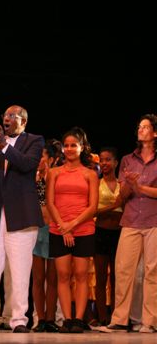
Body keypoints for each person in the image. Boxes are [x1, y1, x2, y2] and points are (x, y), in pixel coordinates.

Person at [0, 105, 44, 333]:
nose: (6, 118)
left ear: (23, 121)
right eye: (5, 115)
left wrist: (4, 145)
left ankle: (19, 320)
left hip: (21, 214)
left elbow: (26, 165)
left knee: (20, 270)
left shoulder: (34, 140)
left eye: (12, 116)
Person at [106, 114, 157, 334]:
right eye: (139, 126)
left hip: (154, 219)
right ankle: (119, 319)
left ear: (155, 133)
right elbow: (123, 195)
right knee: (124, 270)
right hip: (131, 219)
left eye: (145, 127)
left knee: (152, 272)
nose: (141, 129)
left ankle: (150, 321)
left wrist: (141, 187)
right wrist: (128, 184)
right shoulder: (128, 159)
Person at [46, 127, 98, 333]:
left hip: (83, 228)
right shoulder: (54, 173)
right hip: (59, 228)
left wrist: (72, 225)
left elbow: (92, 206)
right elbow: (50, 203)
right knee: (63, 275)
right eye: (66, 145)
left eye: (73, 145)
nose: (69, 149)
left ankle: (78, 319)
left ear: (82, 147)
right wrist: (63, 227)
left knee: (82, 275)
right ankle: (67, 319)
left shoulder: (90, 174)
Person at [31, 139, 62, 333]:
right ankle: (40, 318)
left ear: (51, 158)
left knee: (53, 278)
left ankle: (51, 318)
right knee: (37, 277)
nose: (38, 159)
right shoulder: (31, 178)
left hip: (53, 229)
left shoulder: (57, 177)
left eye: (41, 156)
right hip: (36, 229)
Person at [93, 147, 121, 327]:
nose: (104, 163)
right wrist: (113, 206)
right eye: (102, 160)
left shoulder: (123, 184)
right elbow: (92, 211)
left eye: (108, 159)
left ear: (116, 162)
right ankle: (103, 316)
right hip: (101, 232)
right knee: (101, 277)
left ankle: (118, 316)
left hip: (119, 233)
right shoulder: (96, 183)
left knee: (118, 278)